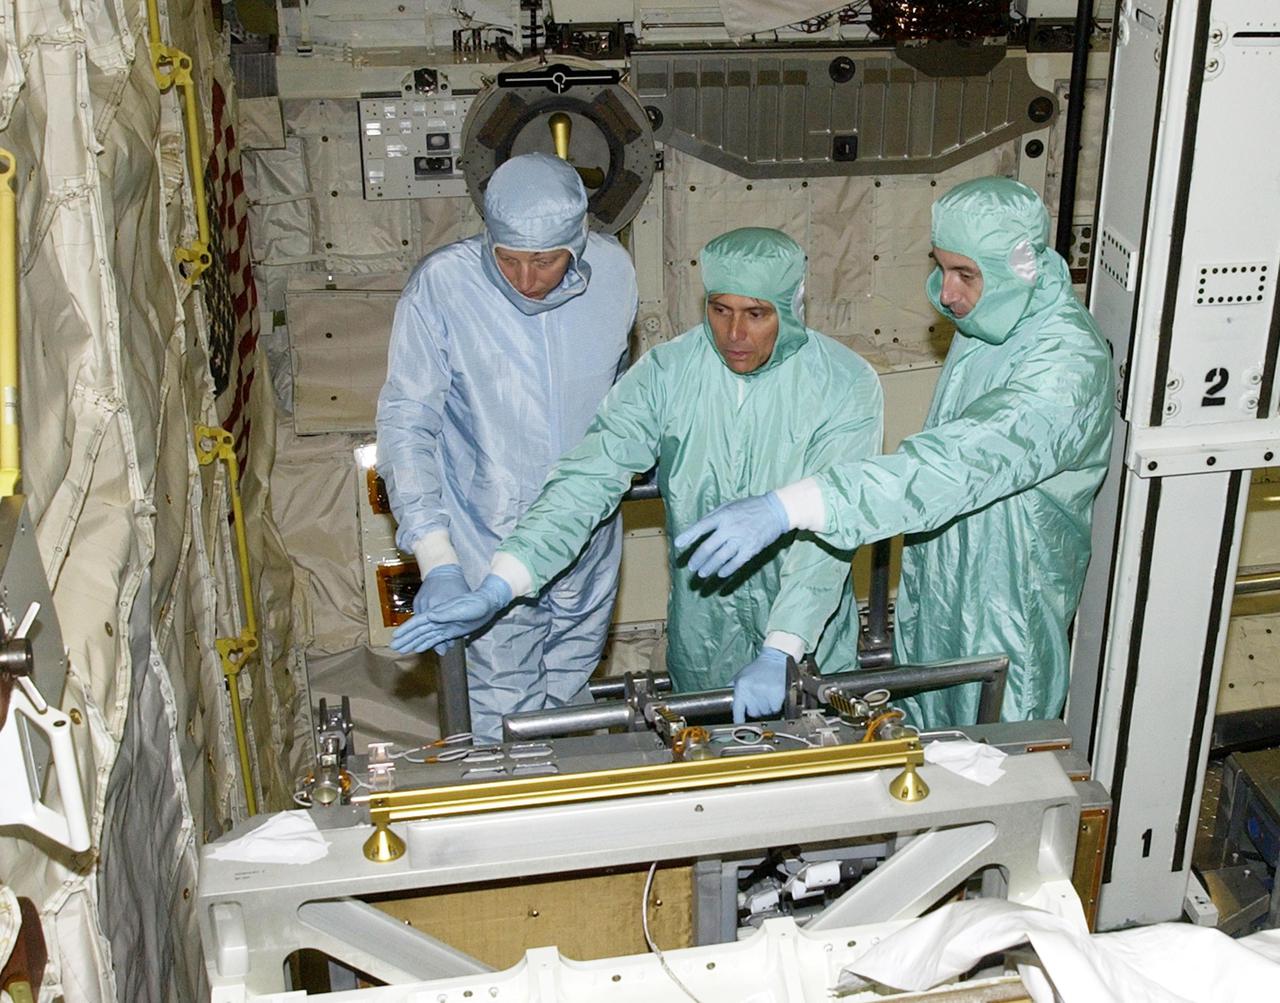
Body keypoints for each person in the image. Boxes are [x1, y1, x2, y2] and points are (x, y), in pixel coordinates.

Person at [390, 227, 883, 724]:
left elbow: (828, 533)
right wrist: (502, 582)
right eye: (720, 309)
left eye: (756, 314)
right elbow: (587, 479)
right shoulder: (668, 373)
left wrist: (784, 648)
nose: (734, 334)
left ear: (790, 308)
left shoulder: (844, 384)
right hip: (702, 634)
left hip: (809, 636)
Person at [676, 177, 1114, 728]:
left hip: (1006, 607)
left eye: (965, 275)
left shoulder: (1066, 368)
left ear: (1017, 267)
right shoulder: (989, 320)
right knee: (923, 755)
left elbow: (952, 465)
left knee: (995, 768)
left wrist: (793, 506)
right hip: (938, 590)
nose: (946, 293)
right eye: (942, 267)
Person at [376, 152, 638, 743]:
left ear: (577, 242)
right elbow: (407, 424)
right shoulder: (444, 285)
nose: (524, 279)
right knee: (500, 719)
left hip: (585, 536)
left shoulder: (616, 274)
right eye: (508, 259)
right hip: (482, 539)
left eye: (544, 261)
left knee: (570, 702)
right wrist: (436, 558)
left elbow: (621, 403)